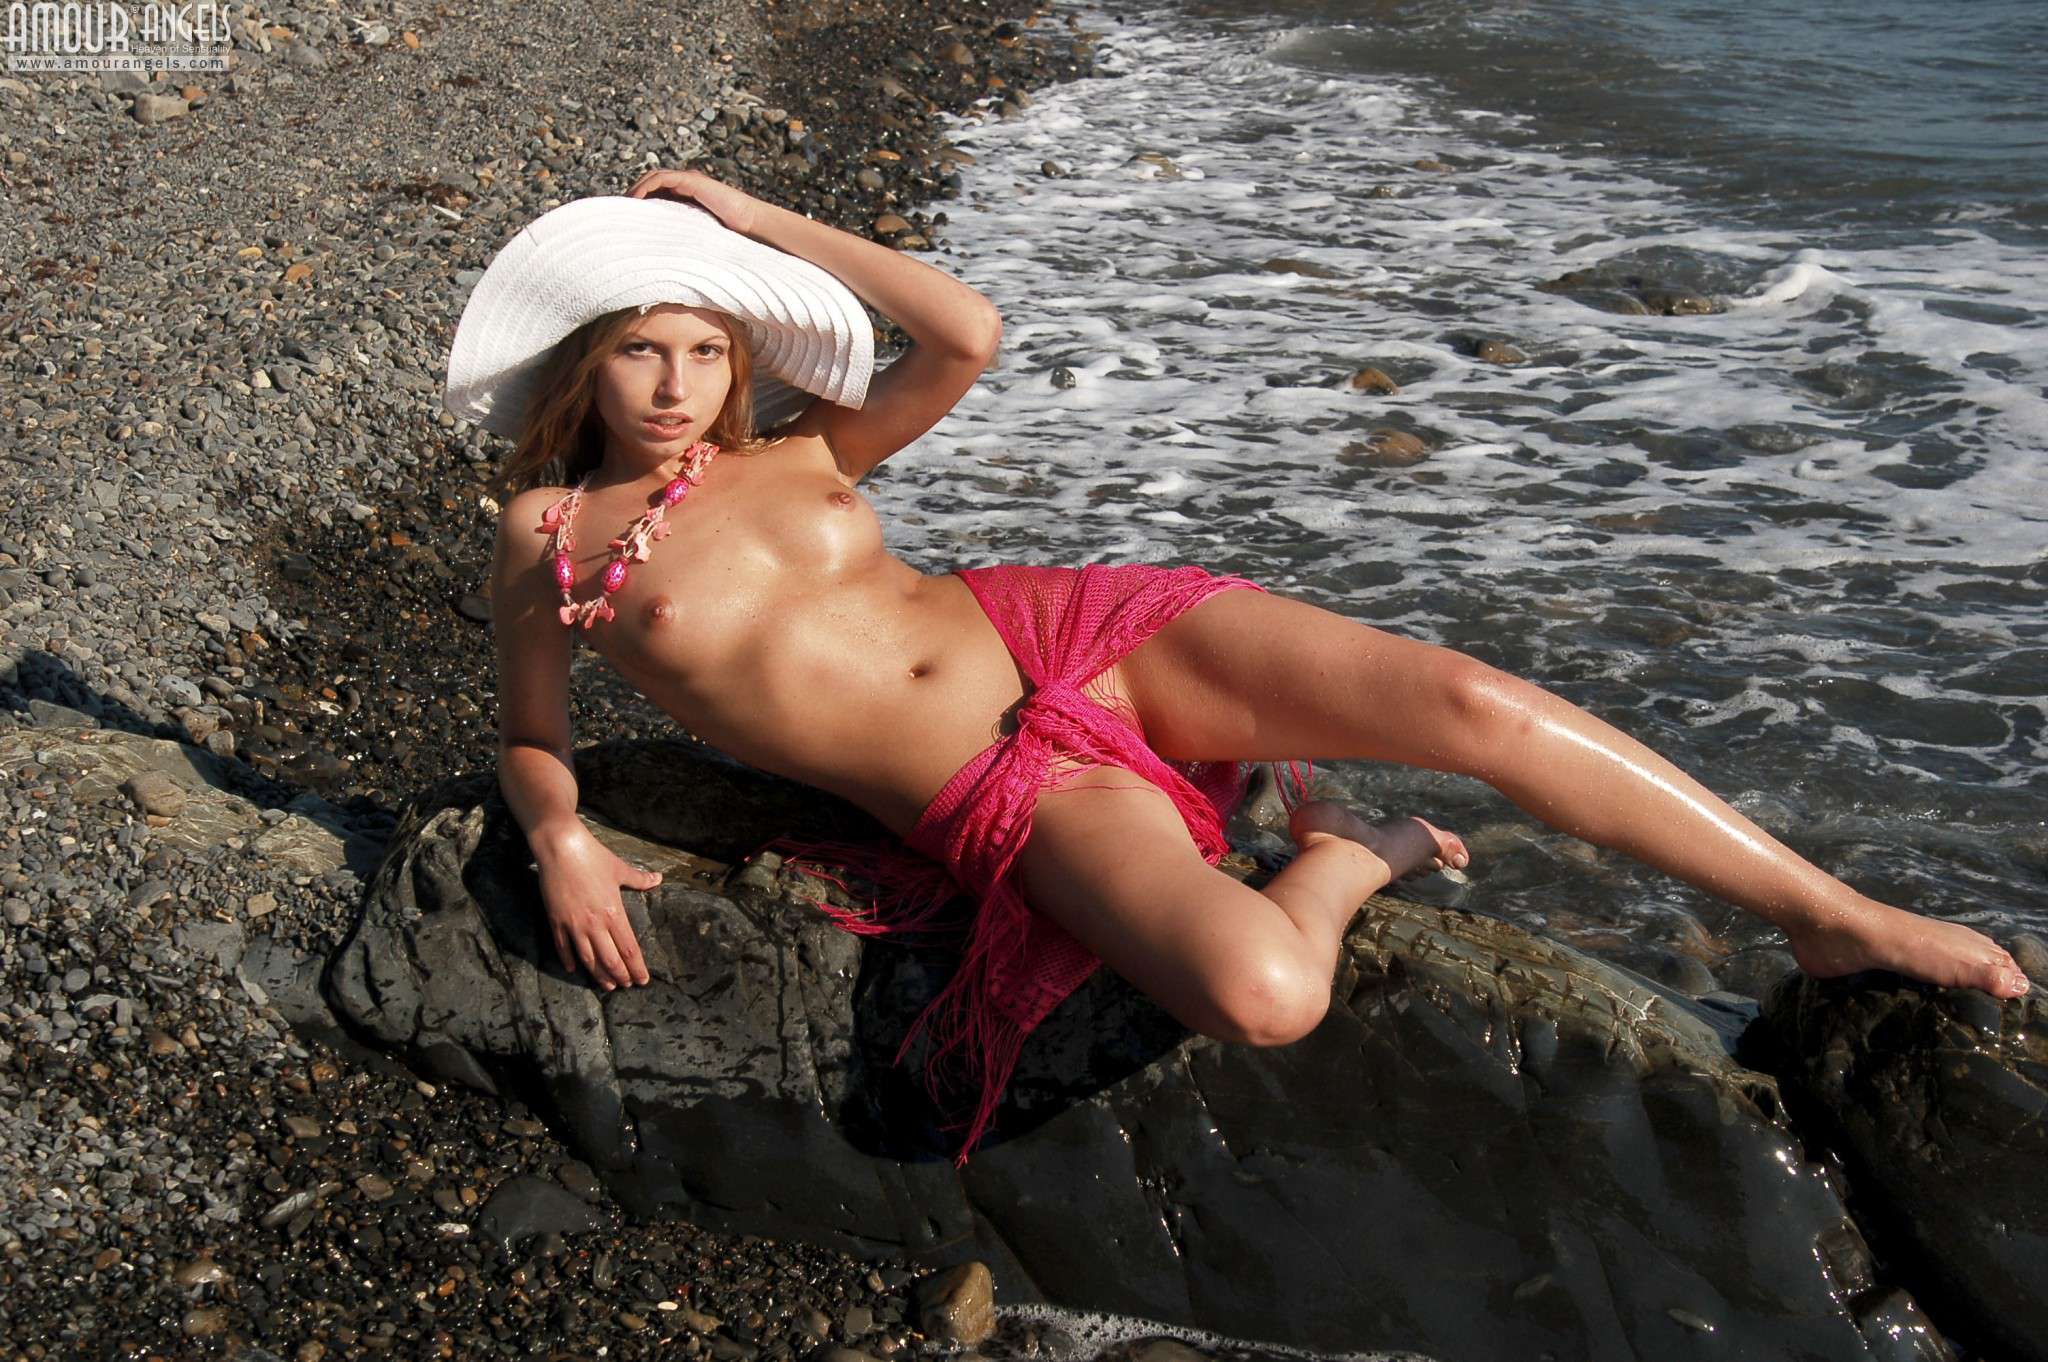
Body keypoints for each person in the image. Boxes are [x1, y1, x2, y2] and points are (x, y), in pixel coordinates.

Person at [450, 170, 2030, 1162]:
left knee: (1471, 702)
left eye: (708, 346)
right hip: (1003, 797)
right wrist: (560, 834)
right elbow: (533, 732)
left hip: (1075, 636)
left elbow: (967, 332)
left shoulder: (802, 451)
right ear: (589, 358)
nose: (677, 383)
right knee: (1262, 991)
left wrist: (754, 222)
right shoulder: (549, 534)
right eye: (643, 348)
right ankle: (1351, 854)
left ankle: (1824, 911)